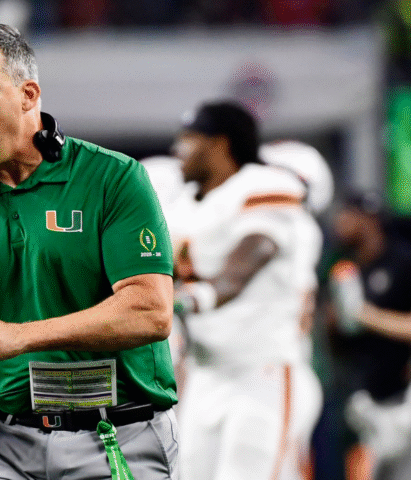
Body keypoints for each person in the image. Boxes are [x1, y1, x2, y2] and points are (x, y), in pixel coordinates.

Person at [0, 23, 178, 480]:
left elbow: (150, 311)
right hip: (1, 446)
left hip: (114, 436)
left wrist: (20, 336)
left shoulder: (112, 180)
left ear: (28, 95)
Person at [166, 100, 323, 480]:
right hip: (206, 373)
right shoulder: (185, 205)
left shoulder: (263, 187)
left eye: (190, 138)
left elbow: (249, 259)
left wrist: (192, 299)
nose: (178, 149)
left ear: (219, 144)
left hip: (261, 371)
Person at [326, 191, 411, 480]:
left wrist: (365, 315)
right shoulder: (345, 269)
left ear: (368, 219)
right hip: (362, 402)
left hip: (402, 401)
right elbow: (340, 346)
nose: (340, 221)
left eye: (348, 214)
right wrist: (335, 321)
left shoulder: (402, 262)